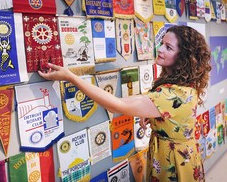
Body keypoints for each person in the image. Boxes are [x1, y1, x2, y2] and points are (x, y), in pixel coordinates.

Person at [39, 25, 211, 181]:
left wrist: (70, 77)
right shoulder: (182, 85)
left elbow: (115, 105)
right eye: (162, 44)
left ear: (184, 57)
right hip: (176, 154)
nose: (160, 50)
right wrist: (155, 118)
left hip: (174, 161)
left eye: (169, 47)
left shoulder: (174, 94)